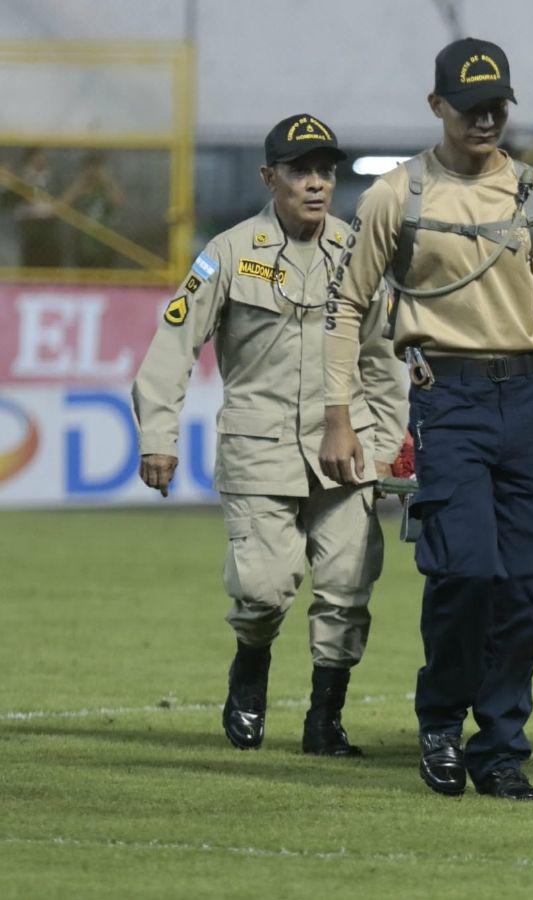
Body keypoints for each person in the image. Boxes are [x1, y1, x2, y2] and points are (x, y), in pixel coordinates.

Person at [320, 37, 533, 802]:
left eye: (497, 105)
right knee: (466, 569)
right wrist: (337, 415)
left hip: (532, 396)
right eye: (471, 106)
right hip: (451, 401)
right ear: (436, 106)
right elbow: (348, 306)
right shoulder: (396, 196)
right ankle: (441, 720)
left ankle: (499, 746)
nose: (487, 118)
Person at [131, 114, 407, 757]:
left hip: (349, 449)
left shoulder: (358, 251)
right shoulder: (227, 253)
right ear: (269, 177)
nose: (316, 184)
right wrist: (158, 436)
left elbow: (385, 359)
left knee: (346, 591)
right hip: (260, 448)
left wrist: (387, 445)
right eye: (300, 171)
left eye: (325, 172)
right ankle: (249, 669)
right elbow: (174, 343)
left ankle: (324, 720)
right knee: (261, 590)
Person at [62, 150, 124, 268]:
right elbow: (63, 204)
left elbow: (118, 201)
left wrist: (107, 181)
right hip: (83, 240)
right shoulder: (81, 188)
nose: (94, 172)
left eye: (97, 167)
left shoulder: (106, 188)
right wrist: (80, 183)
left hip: (105, 239)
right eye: (90, 167)